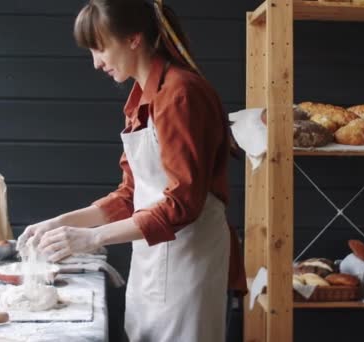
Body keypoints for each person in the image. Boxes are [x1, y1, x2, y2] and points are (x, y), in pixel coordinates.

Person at [16, 0, 247, 340]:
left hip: (189, 263)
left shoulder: (180, 94)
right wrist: (60, 223)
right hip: (153, 260)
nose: (96, 63)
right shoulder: (141, 99)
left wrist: (91, 237)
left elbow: (182, 204)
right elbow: (130, 196)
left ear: (134, 39)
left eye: (100, 49)